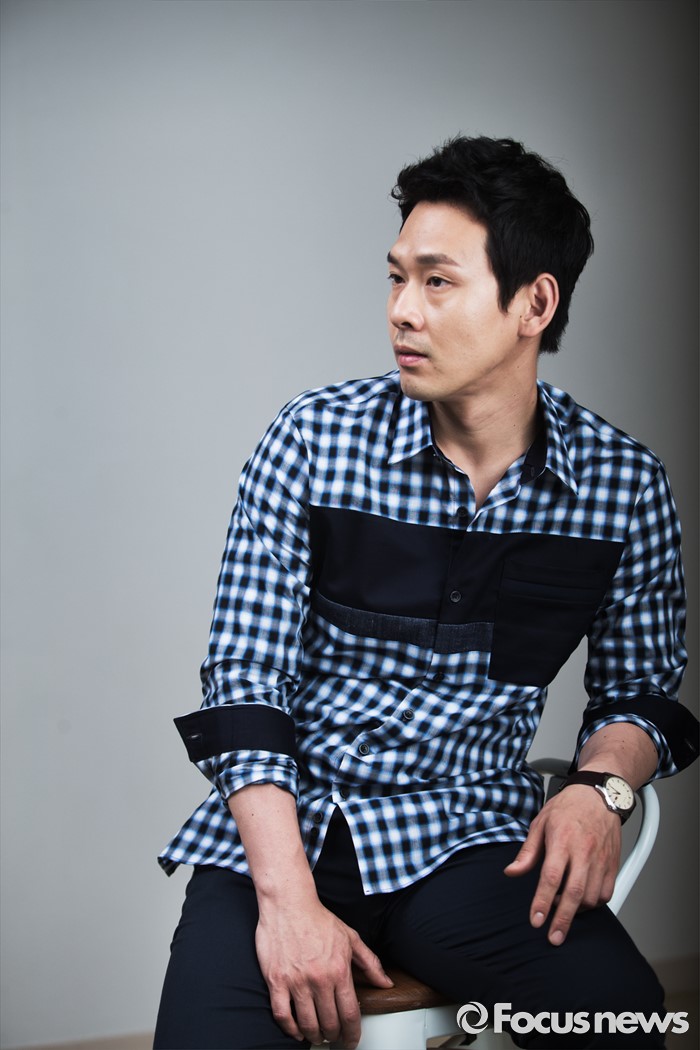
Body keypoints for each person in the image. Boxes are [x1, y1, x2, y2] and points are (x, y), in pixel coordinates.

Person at [154, 136, 698, 1050]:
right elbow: (244, 682)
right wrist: (287, 902)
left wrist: (600, 789)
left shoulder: (623, 486)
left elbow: (640, 692)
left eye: (438, 282)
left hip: (472, 844)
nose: (402, 311)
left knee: (624, 1024)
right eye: (397, 277)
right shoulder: (313, 440)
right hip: (289, 839)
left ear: (534, 304)